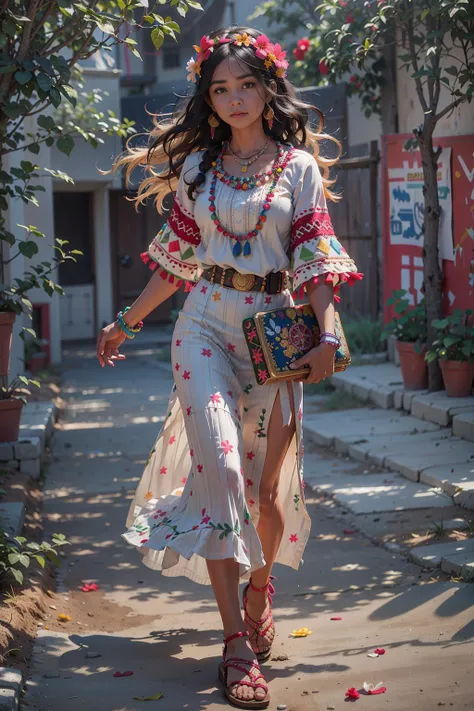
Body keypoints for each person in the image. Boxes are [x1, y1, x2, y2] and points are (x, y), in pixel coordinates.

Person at [96, 25, 362, 710]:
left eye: (246, 83)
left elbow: (316, 257)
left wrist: (329, 331)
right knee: (220, 466)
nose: (234, 97)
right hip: (204, 325)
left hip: (276, 334)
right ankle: (235, 644)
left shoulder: (297, 167)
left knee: (267, 493)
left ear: (268, 87)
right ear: (208, 100)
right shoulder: (197, 171)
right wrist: (125, 322)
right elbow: (173, 262)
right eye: (220, 88)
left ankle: (259, 586)